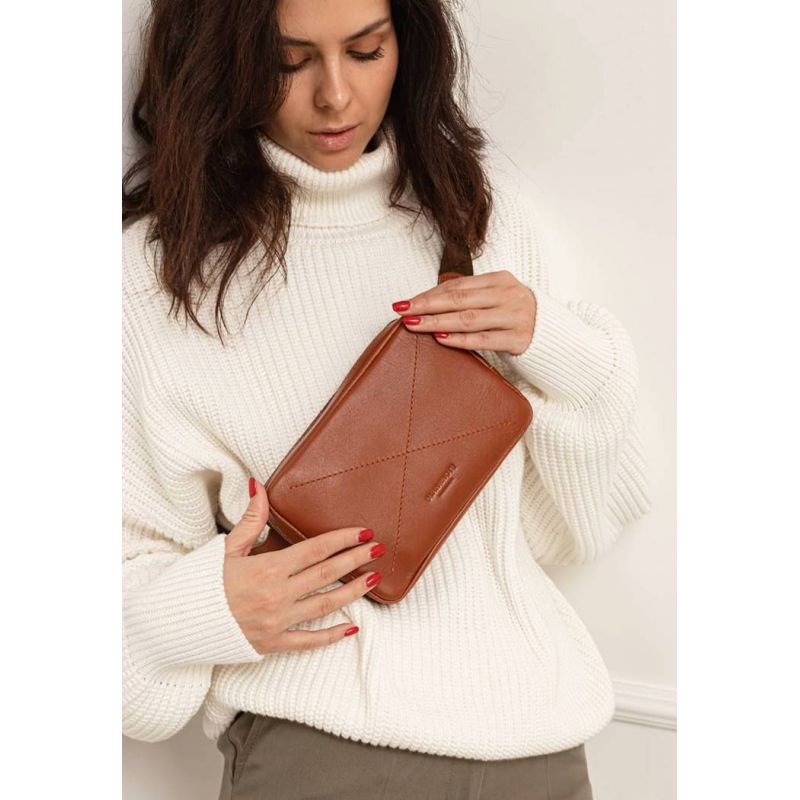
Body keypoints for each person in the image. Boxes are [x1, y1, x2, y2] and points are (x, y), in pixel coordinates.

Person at [122, 0, 652, 797]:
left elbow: (580, 521)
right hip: (325, 754)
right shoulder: (152, 277)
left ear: (408, 43)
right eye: (288, 62)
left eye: (366, 51)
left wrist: (555, 342)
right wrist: (209, 605)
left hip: (540, 746)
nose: (335, 96)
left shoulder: (480, 213)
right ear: (223, 59)